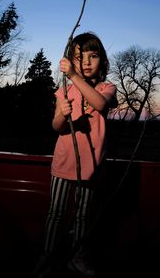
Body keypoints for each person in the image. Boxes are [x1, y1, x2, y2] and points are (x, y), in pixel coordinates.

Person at [34, 31, 118, 277]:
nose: (87, 63)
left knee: (83, 215)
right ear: (71, 59)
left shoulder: (106, 87)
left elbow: (101, 104)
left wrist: (72, 74)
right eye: (80, 58)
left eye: (93, 56)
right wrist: (62, 114)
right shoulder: (63, 90)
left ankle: (77, 258)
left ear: (102, 60)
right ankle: (47, 257)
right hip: (63, 162)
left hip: (91, 165)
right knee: (56, 213)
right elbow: (56, 127)